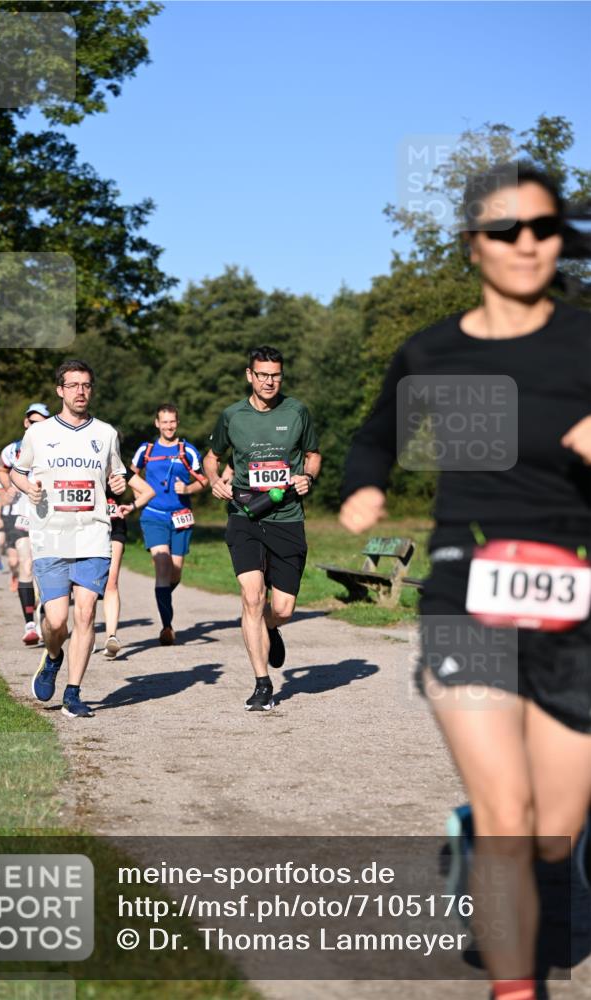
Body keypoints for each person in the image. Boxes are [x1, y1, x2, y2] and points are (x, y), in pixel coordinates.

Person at [340, 162, 591, 1000]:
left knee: (552, 834)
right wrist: (365, 487)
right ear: (472, 243)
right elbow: (375, 437)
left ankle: (473, 834)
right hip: (466, 590)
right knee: (512, 823)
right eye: (505, 229)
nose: (526, 244)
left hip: (577, 600)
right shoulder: (433, 350)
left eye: (543, 229)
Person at [203, 346, 322, 712]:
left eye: (275, 375)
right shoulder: (232, 416)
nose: (269, 381)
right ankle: (262, 684)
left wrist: (307, 477)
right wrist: (214, 481)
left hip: (286, 516)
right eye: (262, 375)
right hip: (245, 515)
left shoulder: (297, 411)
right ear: (249, 375)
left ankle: (272, 627)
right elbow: (212, 458)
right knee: (252, 597)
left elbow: (313, 455)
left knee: (283, 608)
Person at [10, 360, 128, 719]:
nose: (81, 391)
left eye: (86, 385)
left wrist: (119, 483)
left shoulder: (106, 433)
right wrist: (27, 487)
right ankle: (53, 656)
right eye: (73, 385)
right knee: (57, 620)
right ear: (60, 390)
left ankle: (73, 693)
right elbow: (17, 472)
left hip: (93, 534)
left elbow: (117, 475)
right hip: (50, 536)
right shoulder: (39, 433)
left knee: (86, 612)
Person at [130, 404, 207, 645]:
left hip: (181, 516)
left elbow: (204, 481)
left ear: (177, 423)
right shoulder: (146, 449)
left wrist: (188, 488)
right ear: (157, 423)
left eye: (172, 421)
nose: (168, 426)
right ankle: (167, 626)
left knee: (175, 570)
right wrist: (138, 496)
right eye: (164, 422)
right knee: (162, 565)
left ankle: (162, 593)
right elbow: (129, 474)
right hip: (153, 515)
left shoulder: (188, 450)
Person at [0, 403, 50, 645]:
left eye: (42, 423)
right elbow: (2, 468)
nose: (35, 426)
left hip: (49, 515)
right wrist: (9, 487)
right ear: (25, 423)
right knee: (26, 565)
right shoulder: (13, 449)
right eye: (32, 422)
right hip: (23, 514)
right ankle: (30, 624)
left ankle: (48, 618)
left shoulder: (54, 447)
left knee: (47, 568)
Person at [100, 473, 155, 659]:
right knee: (86, 587)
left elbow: (148, 491)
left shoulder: (117, 468)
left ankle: (111, 637)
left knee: (111, 581)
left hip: (115, 527)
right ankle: (85, 632)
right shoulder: (78, 462)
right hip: (85, 529)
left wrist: (131, 506)